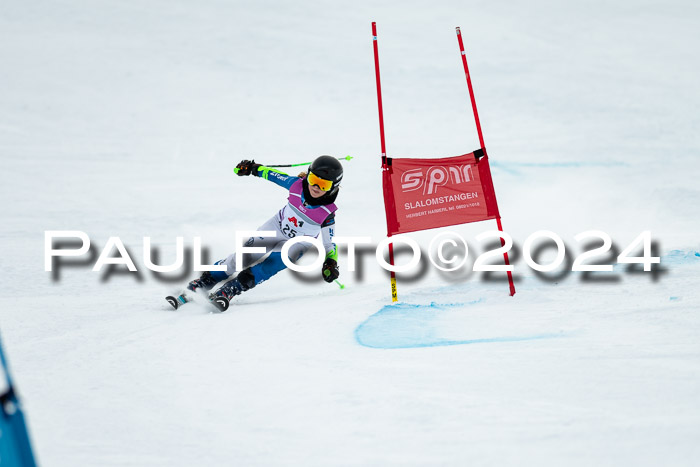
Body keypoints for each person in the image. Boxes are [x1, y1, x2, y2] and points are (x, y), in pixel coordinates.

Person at [175, 155, 342, 311]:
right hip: (276, 228)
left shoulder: (327, 212)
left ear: (333, 187)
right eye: (313, 180)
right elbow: (272, 174)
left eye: (324, 185)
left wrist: (330, 262)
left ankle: (231, 289)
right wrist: (253, 168)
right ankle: (205, 281)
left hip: (296, 244)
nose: (316, 187)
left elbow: (329, 244)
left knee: (267, 267)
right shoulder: (296, 185)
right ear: (308, 175)